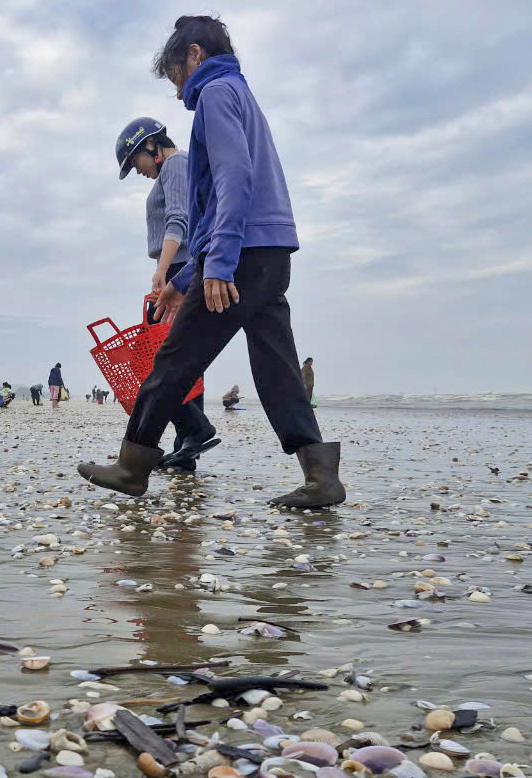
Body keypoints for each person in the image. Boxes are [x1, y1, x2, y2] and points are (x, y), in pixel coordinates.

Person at [78, 15, 345, 509]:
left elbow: (233, 180)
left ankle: (133, 466)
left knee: (176, 360)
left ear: (195, 55)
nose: (179, 92)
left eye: (177, 75)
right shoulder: (242, 95)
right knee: (277, 366)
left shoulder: (218, 94)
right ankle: (320, 474)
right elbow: (218, 200)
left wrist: (218, 266)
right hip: (270, 252)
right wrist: (184, 278)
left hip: (240, 255)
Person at [118, 115, 219, 472]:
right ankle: (186, 449)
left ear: (151, 145)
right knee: (185, 360)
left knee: (151, 361)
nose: (138, 171)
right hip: (186, 268)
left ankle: (195, 428)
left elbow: (179, 220)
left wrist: (163, 270)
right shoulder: (183, 165)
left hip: (181, 270)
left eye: (136, 162)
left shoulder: (176, 164)